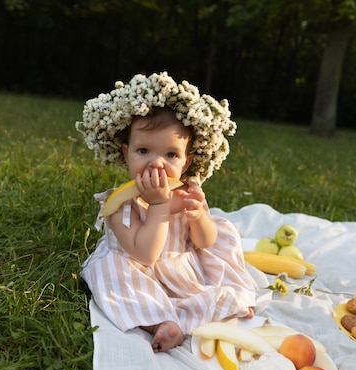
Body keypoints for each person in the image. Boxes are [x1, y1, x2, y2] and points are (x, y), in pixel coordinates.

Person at [76, 72, 257, 353]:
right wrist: (159, 206)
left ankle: (213, 306)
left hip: (181, 271)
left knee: (223, 232)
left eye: (171, 155)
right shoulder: (120, 204)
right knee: (110, 272)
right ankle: (158, 323)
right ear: (126, 153)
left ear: (187, 162)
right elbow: (144, 254)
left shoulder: (186, 191)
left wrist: (199, 218)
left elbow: (205, 242)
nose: (156, 164)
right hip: (138, 272)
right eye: (144, 150)